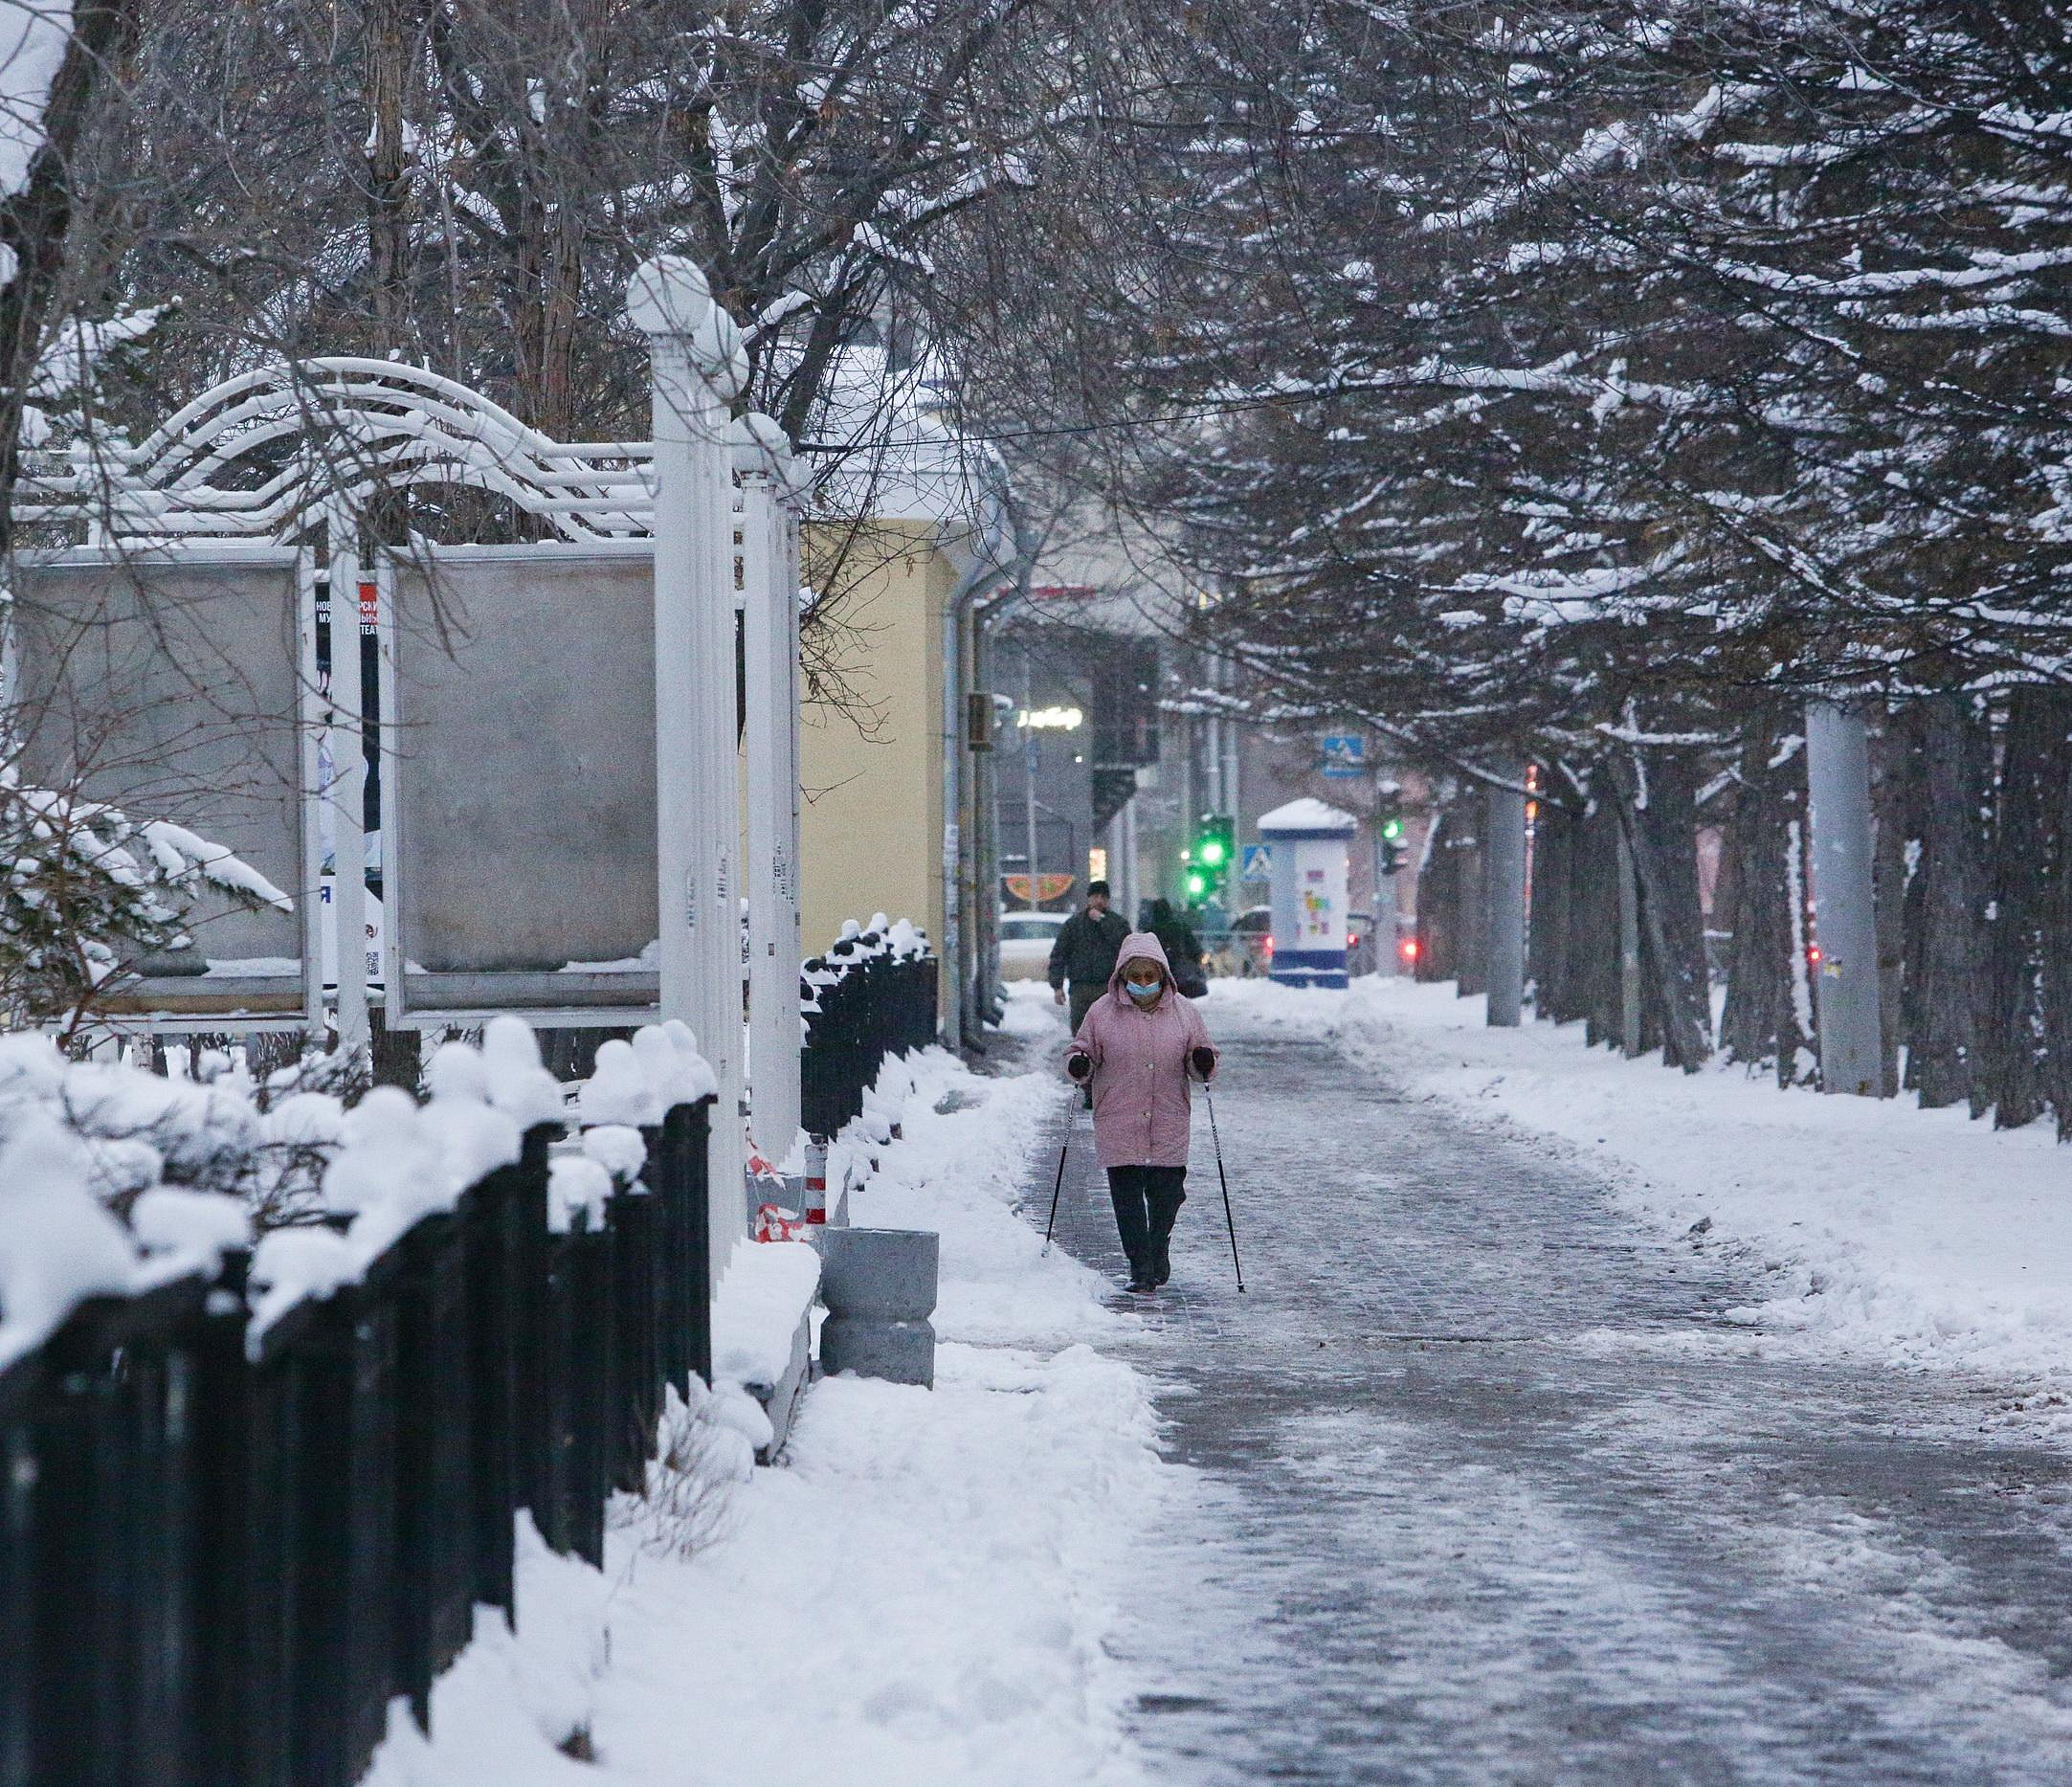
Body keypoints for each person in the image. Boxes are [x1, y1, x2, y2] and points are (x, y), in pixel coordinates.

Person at [1064, 931, 1220, 1294]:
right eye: (1135, 976)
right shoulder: (1101, 1012)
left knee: (1168, 1196)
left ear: (1163, 975)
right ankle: (1140, 1267)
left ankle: (1158, 1245)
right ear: (1123, 976)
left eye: (1150, 976)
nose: (1143, 983)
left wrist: (1203, 1062)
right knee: (1128, 1200)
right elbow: (1081, 1052)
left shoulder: (1185, 1013)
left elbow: (1204, 1061)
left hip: (1168, 1119)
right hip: (1118, 1118)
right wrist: (1079, 1064)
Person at [1048, 880, 1131, 1035]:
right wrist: (1057, 986)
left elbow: (1125, 947)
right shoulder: (1074, 925)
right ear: (1089, 899)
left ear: (1108, 900)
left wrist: (1103, 921)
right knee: (1081, 1033)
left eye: (1103, 897)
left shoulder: (1118, 923)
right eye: (1095, 897)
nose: (1099, 901)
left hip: (1108, 987)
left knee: (1108, 1033)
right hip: (1080, 988)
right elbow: (1059, 955)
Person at [1146, 896, 1208, 997]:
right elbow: (1194, 948)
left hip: (1158, 974)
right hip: (1180, 975)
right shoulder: (1180, 927)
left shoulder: (1150, 931)